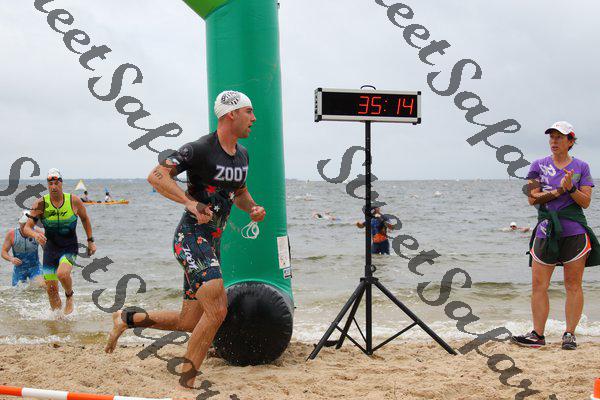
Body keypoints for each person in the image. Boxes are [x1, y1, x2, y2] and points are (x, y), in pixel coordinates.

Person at [105, 90, 266, 388]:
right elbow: (157, 176)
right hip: (191, 237)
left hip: (212, 241)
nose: (254, 118)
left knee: (189, 321)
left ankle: (125, 318)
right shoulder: (199, 149)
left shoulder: (243, 155)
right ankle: (187, 382)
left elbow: (240, 193)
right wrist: (190, 203)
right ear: (231, 114)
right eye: (249, 112)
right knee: (217, 310)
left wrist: (253, 208)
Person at [511, 121, 599, 350]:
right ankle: (537, 335)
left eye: (559, 137)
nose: (554, 141)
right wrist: (559, 190)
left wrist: (571, 188)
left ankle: (569, 334)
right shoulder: (538, 166)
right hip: (545, 230)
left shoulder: (582, 167)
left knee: (573, 285)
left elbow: (586, 202)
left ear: (570, 141)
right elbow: (532, 198)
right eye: (551, 137)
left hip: (575, 231)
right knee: (539, 285)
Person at [24, 168, 97, 315]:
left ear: (61, 183)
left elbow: (85, 219)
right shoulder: (40, 204)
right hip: (50, 250)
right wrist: (35, 234)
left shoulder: (73, 201)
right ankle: (59, 322)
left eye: (56, 183)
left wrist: (90, 241)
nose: (53, 187)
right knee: (51, 290)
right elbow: (27, 227)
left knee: (62, 274)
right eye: (50, 184)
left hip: (69, 246)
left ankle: (69, 295)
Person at [1, 211, 44, 287]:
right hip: (19, 269)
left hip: (35, 267)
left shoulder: (38, 233)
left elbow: (48, 250)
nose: (25, 227)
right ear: (19, 222)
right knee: (16, 291)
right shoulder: (11, 235)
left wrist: (44, 245)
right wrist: (11, 259)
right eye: (23, 224)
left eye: (27, 224)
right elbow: (3, 252)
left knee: (42, 286)